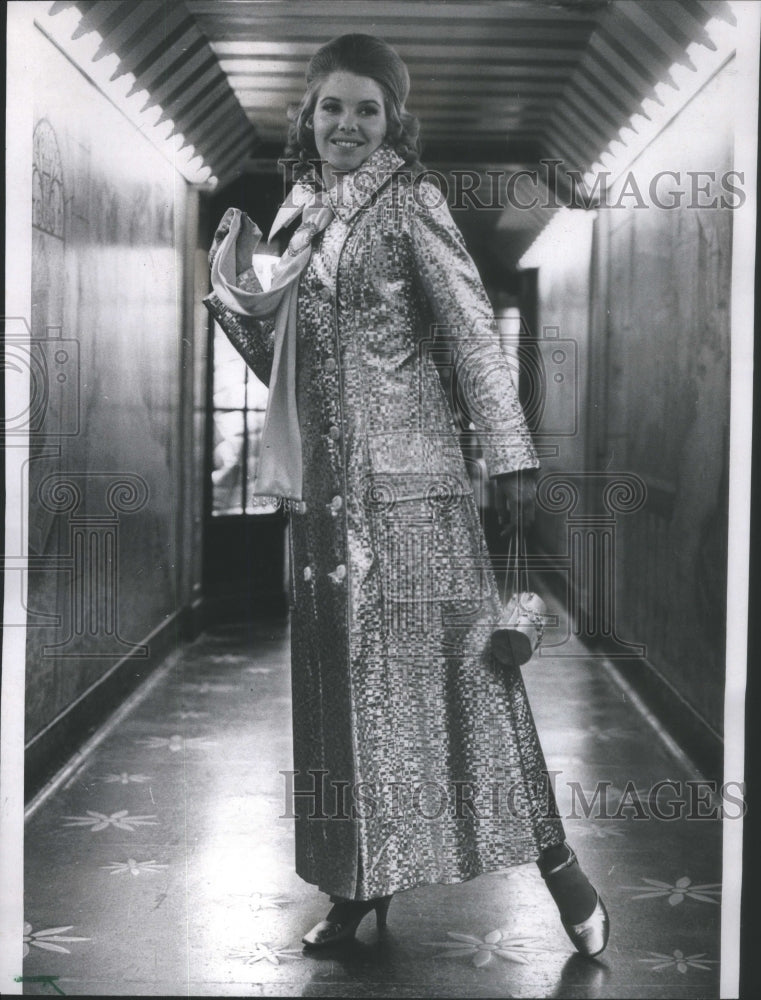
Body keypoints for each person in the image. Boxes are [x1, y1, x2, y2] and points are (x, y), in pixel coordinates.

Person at [205, 33, 609, 958]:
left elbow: (471, 331)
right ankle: (357, 884)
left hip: (417, 493)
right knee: (337, 696)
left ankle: (560, 870)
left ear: (393, 119)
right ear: (306, 115)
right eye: (331, 107)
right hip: (328, 503)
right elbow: (287, 367)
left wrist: (510, 457)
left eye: (367, 109)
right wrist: (233, 300)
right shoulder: (299, 209)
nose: (347, 124)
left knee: (475, 682)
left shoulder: (410, 201)